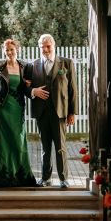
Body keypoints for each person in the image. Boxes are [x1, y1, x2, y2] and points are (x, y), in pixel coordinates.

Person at [0, 39, 37, 187]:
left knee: (18, 141)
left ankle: (19, 175)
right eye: (7, 50)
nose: (10, 52)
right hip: (1, 108)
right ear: (4, 51)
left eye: (12, 49)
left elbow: (27, 90)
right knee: (1, 143)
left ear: (17, 49)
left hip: (17, 108)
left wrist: (31, 88)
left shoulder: (25, 66)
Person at [24, 34, 77, 189]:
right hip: (41, 113)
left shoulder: (66, 64)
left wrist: (72, 113)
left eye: (48, 46)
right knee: (45, 148)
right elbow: (25, 88)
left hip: (59, 112)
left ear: (54, 46)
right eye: (43, 47)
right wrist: (33, 91)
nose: (46, 49)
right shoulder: (32, 66)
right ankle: (46, 178)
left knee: (61, 147)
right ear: (39, 47)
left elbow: (73, 90)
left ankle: (63, 179)